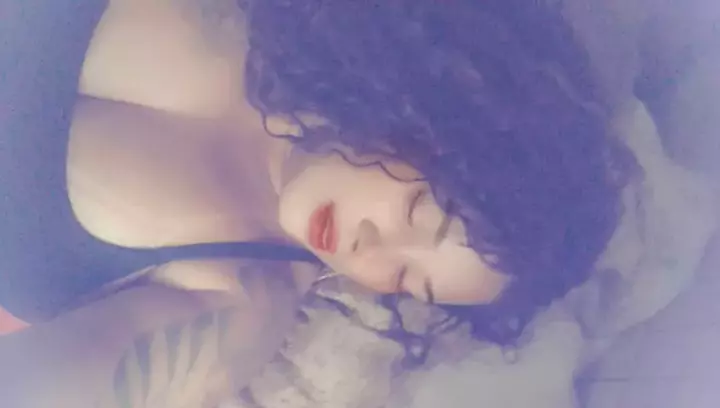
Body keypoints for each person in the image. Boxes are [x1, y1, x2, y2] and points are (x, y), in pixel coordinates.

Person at [0, 0, 716, 407]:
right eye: (421, 215)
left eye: (405, 280)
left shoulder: (243, 290)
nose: (369, 252)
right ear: (438, 116)